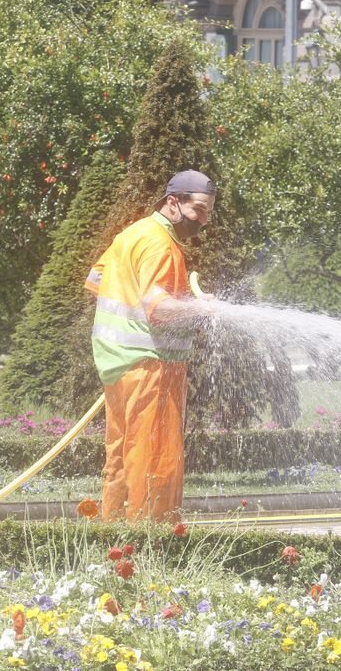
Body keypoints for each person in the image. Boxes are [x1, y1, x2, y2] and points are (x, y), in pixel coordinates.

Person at [84, 170, 217, 522]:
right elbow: (158, 309)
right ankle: (150, 541)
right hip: (153, 367)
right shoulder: (162, 245)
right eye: (200, 210)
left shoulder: (133, 234)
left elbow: (95, 279)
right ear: (173, 203)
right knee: (154, 457)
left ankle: (113, 536)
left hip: (119, 365)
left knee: (123, 454)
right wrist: (199, 309)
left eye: (208, 213)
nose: (204, 221)